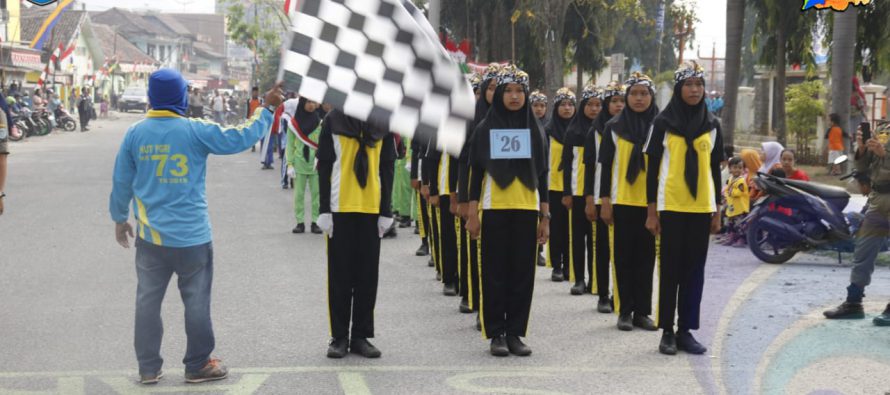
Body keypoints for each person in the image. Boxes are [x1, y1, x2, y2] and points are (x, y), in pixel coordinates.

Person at [109, 69, 282, 384]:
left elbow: (122, 181)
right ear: (180, 96)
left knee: (147, 302)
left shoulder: (135, 133)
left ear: (151, 97)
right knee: (196, 302)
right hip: (192, 239)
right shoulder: (195, 130)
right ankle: (198, 364)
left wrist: (120, 218)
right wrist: (266, 109)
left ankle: (148, 368)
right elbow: (239, 138)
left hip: (151, 239)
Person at [465, 64, 549, 357]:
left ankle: (515, 332)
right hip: (494, 207)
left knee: (522, 273)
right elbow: (475, 173)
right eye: (508, 91)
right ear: (498, 94)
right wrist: (472, 213)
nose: (514, 97)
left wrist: (545, 216)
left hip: (526, 208)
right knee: (495, 271)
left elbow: (543, 175)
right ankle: (496, 333)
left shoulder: (535, 130)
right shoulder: (485, 128)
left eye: (519, 92)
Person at [647, 61, 724, 355]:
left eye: (698, 85)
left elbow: (715, 171)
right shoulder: (662, 124)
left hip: (701, 207)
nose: (694, 90)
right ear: (679, 90)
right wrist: (651, 211)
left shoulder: (713, 125)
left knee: (695, 271)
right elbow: (652, 168)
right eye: (688, 85)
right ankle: (666, 330)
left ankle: (686, 330)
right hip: (671, 206)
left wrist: (716, 209)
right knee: (670, 270)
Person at [316, 109, 396, 358]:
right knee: (339, 276)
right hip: (340, 207)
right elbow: (325, 165)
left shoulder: (382, 121)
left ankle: (361, 335)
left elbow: (388, 167)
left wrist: (386, 211)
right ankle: (339, 336)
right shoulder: (333, 120)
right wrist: (324, 209)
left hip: (371, 208)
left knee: (367, 276)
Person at [598, 72, 658, 332]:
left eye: (644, 94)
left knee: (646, 259)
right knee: (622, 258)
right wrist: (605, 202)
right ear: (626, 97)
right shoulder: (613, 127)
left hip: (651, 204)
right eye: (633, 94)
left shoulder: (661, 126)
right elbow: (605, 167)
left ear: (651, 97)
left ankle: (642, 312)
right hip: (621, 201)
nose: (638, 99)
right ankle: (624, 310)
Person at [824, 128, 890, 326]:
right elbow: (862, 169)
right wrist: (862, 150)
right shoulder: (884, 130)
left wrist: (884, 155)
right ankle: (853, 303)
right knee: (863, 250)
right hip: (878, 201)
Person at [457, 64, 501, 321]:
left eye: (500, 88)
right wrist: (462, 198)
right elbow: (464, 160)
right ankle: (471, 296)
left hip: (506, 198)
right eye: (492, 88)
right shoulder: (473, 119)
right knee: (475, 249)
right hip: (478, 193)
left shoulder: (518, 121)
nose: (496, 93)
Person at [583, 81, 625, 312]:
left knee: (622, 250)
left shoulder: (630, 129)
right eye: (613, 101)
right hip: (602, 197)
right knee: (602, 248)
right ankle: (602, 294)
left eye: (621, 101)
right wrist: (589, 198)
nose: (618, 106)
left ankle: (623, 297)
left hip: (625, 196)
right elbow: (590, 168)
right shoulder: (596, 132)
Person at [561, 85, 601, 295]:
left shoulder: (606, 130)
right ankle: (579, 279)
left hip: (596, 191)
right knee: (578, 237)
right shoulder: (573, 131)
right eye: (590, 105)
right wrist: (566, 192)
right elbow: (567, 164)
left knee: (595, 239)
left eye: (598, 105)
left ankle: (596, 279)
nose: (594, 109)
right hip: (577, 192)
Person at [545, 87, 576, 282]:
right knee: (556, 229)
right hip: (553, 187)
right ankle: (557, 265)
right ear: (556, 108)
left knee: (571, 230)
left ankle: (569, 266)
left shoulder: (580, 130)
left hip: (573, 186)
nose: (567, 108)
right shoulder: (547, 131)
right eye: (563, 105)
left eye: (570, 104)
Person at [284, 98, 323, 234]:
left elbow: (323, 143)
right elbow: (289, 145)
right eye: (308, 102)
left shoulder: (320, 122)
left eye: (313, 102)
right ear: (302, 103)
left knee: (316, 195)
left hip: (315, 164)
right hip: (299, 163)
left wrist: (321, 158)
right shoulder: (293, 124)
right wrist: (289, 164)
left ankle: (315, 222)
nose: (311, 105)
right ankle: (300, 222)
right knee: (299, 195)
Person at [721, 157, 749, 247]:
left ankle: (741, 240)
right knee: (731, 224)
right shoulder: (730, 179)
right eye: (735, 167)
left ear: (743, 170)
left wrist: (728, 192)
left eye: (740, 168)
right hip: (732, 207)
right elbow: (726, 190)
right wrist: (726, 194)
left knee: (740, 225)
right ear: (730, 169)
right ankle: (731, 237)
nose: (737, 170)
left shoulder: (741, 181)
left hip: (740, 208)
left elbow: (737, 192)